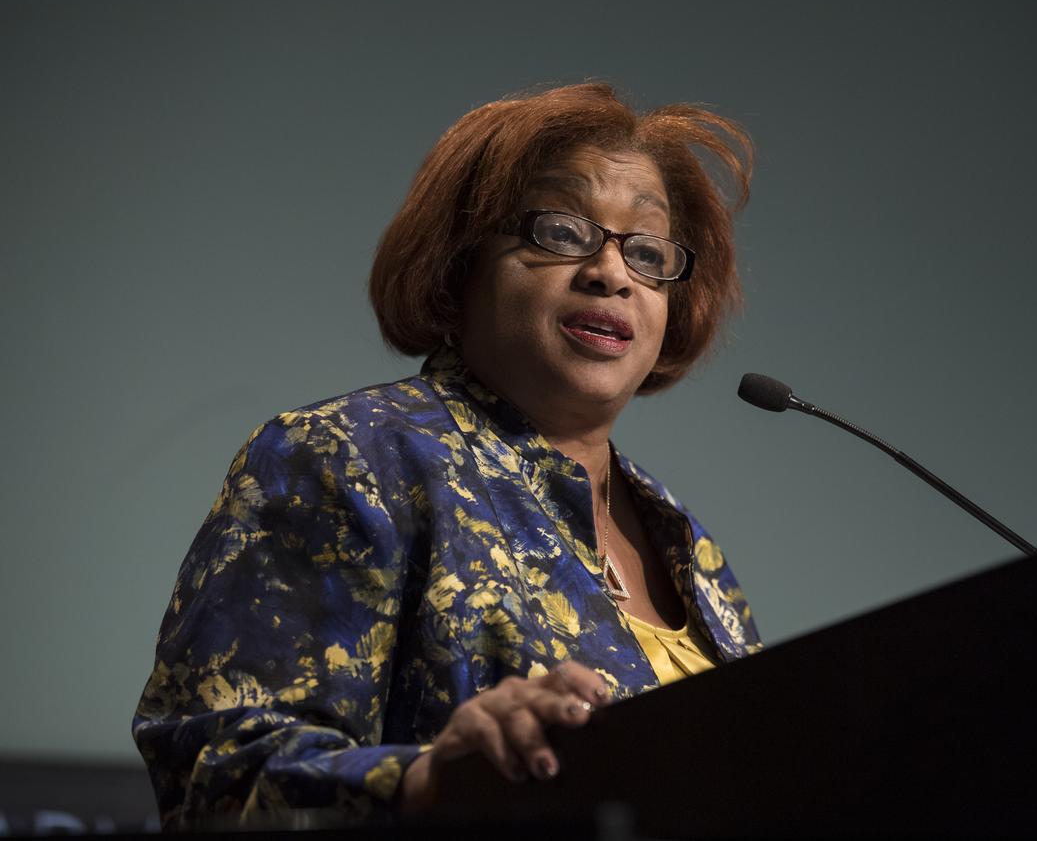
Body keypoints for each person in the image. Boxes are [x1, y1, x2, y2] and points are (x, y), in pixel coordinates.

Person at [133, 82, 763, 830]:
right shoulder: (352, 457)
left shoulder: (686, 542)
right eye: (562, 231)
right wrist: (429, 778)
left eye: (648, 252)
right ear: (460, 264)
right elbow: (216, 779)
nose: (612, 272)